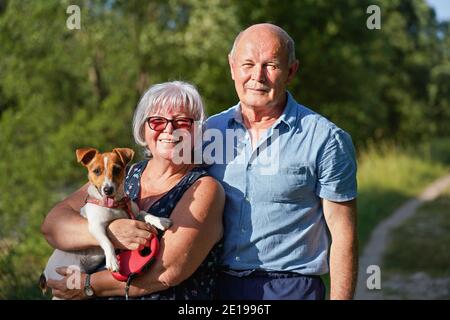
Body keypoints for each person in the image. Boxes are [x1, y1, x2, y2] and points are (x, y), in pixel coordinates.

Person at [205, 23, 358, 300]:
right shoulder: (206, 133)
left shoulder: (326, 139)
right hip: (217, 287)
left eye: (271, 65)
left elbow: (344, 237)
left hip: (292, 288)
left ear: (291, 71)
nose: (257, 76)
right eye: (248, 64)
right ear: (232, 67)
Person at [41, 81, 225, 299]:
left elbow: (167, 271)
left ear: (196, 130)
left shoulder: (203, 188)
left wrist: (89, 285)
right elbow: (52, 226)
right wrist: (112, 233)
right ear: (143, 128)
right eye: (157, 121)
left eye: (182, 122)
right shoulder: (121, 175)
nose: (169, 129)